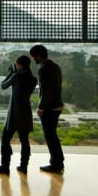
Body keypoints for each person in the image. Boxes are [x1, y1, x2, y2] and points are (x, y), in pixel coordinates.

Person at [0, 55, 37, 175]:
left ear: (19, 65)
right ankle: (24, 167)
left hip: (14, 114)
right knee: (24, 141)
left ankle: (5, 166)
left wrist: (10, 73)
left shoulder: (16, 76)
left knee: (6, 140)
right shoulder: (33, 79)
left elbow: (3, 86)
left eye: (17, 64)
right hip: (26, 113)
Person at [30, 45, 65, 174]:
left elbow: (46, 92)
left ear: (38, 56)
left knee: (49, 135)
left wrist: (41, 107)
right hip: (58, 105)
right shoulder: (56, 67)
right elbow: (55, 89)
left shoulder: (44, 69)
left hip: (49, 108)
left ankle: (55, 164)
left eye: (34, 57)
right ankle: (58, 161)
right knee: (52, 134)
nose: (34, 60)